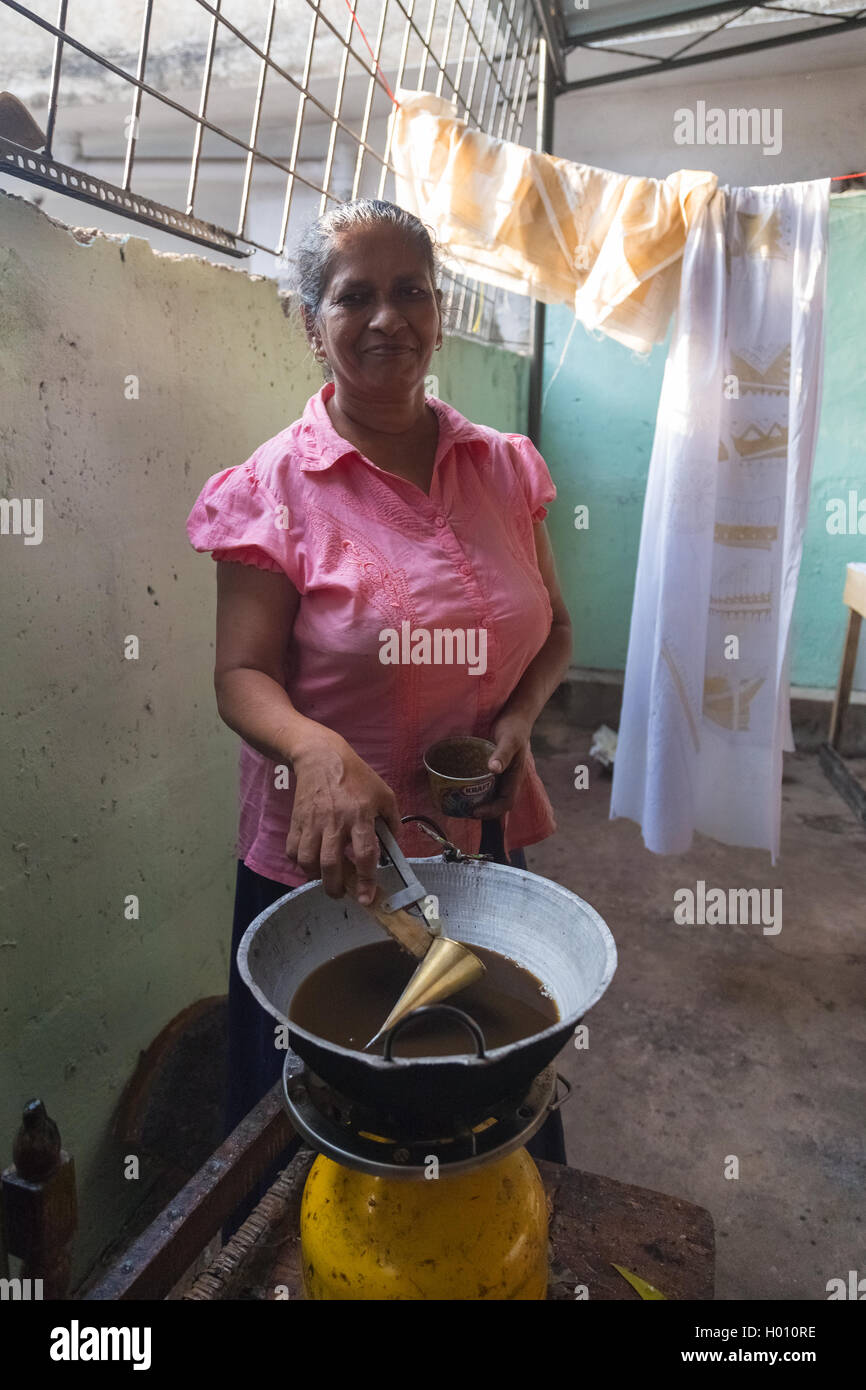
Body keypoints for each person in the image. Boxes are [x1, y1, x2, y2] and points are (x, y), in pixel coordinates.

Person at [186, 199, 573, 1189]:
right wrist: (316, 751)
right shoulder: (274, 488)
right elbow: (240, 675)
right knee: (316, 1136)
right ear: (311, 322)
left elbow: (553, 630)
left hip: (472, 840)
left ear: (437, 314)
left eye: (409, 291)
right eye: (354, 296)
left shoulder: (501, 468)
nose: (385, 319)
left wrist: (517, 730)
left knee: (480, 1083)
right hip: (328, 865)